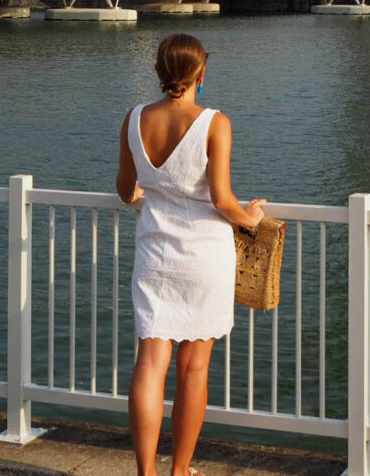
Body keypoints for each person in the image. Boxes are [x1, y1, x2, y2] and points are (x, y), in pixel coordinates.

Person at [116, 33, 265, 476]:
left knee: (150, 362)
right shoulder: (214, 122)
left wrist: (142, 190)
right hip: (203, 256)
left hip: (155, 253)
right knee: (193, 368)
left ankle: (147, 473)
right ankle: (180, 471)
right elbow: (222, 199)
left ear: (160, 73)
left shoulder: (134, 118)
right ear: (201, 74)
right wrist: (251, 217)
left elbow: (126, 189)